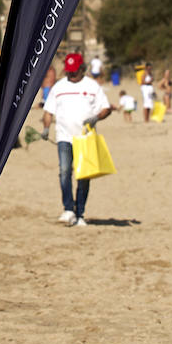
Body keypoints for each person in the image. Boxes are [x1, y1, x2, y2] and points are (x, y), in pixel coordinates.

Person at [41, 52, 113, 226]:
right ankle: (68, 209)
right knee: (65, 171)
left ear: (82, 69)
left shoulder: (92, 86)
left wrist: (97, 118)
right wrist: (45, 127)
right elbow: (48, 111)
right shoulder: (58, 87)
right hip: (64, 137)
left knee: (83, 176)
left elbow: (106, 108)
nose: (71, 75)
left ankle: (80, 213)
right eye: (69, 72)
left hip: (85, 139)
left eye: (74, 71)